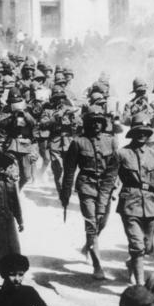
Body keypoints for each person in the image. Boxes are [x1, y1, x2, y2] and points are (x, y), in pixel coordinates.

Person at [116, 114, 154, 286]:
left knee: (148, 247)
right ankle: (140, 285)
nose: (142, 134)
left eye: (145, 131)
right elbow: (110, 178)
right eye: (138, 131)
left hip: (150, 204)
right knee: (138, 246)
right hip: (130, 203)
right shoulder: (122, 153)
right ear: (133, 132)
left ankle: (132, 262)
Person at [61, 107, 119, 279]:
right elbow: (69, 170)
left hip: (106, 187)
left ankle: (88, 245)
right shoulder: (78, 142)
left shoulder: (111, 141)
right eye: (92, 121)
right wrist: (65, 193)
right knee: (91, 223)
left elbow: (115, 167)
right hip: (86, 185)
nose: (96, 125)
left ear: (103, 123)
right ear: (87, 123)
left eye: (99, 121)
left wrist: (115, 186)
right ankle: (97, 265)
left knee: (103, 222)